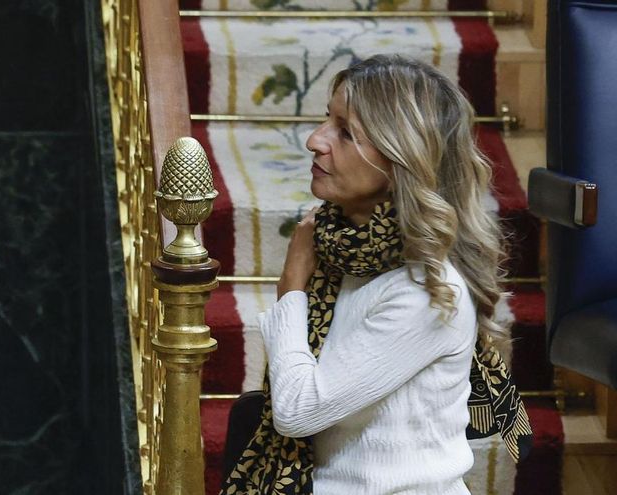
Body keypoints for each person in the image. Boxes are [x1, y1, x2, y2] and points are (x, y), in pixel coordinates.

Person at [220, 54, 531, 495]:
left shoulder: (426, 292)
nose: (314, 140)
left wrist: (290, 291)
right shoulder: (343, 252)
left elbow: (297, 411)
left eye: (345, 133)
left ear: (401, 157)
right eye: (327, 120)